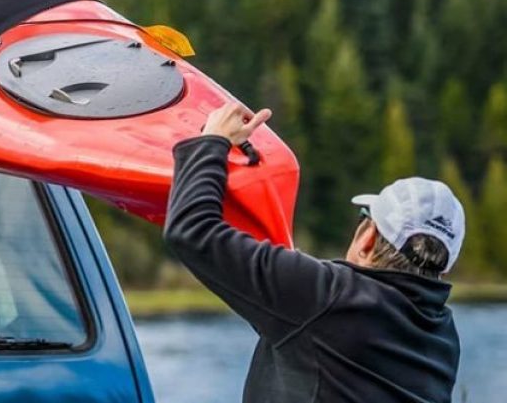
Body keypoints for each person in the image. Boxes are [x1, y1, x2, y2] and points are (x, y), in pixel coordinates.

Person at [164, 102, 463, 403]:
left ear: (367, 237)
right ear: (444, 268)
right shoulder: (442, 337)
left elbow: (192, 230)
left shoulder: (327, 297)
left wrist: (211, 142)